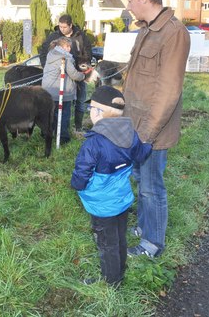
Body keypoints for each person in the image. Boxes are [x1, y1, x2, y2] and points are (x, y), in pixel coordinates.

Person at [123, 0, 191, 258]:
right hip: (134, 124)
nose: (128, 6)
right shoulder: (146, 29)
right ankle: (143, 226)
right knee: (140, 180)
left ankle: (152, 243)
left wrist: (147, 134)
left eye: (130, 0)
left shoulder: (174, 33)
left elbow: (168, 90)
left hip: (153, 130)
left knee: (152, 188)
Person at [71, 86, 152, 286]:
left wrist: (77, 186)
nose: (90, 111)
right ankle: (119, 271)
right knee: (120, 237)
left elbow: (82, 171)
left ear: (98, 112)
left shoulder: (94, 142)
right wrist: (149, 144)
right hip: (121, 198)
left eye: (91, 107)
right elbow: (141, 154)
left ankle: (112, 282)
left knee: (107, 243)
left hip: (102, 204)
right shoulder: (131, 133)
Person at [40, 14, 92, 133]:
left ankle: (78, 127)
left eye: (64, 27)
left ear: (70, 25)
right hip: (59, 77)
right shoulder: (53, 36)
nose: (62, 29)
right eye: (60, 26)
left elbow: (88, 52)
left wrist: (82, 68)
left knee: (80, 101)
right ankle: (56, 131)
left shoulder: (81, 36)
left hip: (77, 74)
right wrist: (47, 67)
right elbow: (44, 52)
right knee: (59, 106)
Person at [42, 37, 87, 145]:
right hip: (61, 92)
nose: (70, 49)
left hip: (47, 91)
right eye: (68, 46)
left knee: (50, 115)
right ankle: (63, 138)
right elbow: (74, 75)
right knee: (63, 116)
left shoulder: (51, 54)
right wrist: (84, 76)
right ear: (63, 46)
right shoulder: (64, 58)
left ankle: (46, 134)